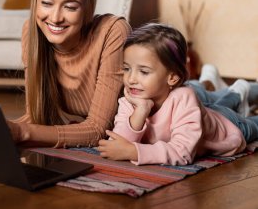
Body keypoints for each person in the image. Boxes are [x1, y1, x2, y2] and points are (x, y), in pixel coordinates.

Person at [7, 0, 132, 148]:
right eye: (47, 3)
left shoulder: (113, 31)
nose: (55, 18)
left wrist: (22, 132)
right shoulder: (32, 31)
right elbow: (35, 117)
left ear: (87, 8)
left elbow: (97, 129)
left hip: (172, 111)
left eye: (70, 7)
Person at [98, 23, 258, 166]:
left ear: (172, 77)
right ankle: (237, 91)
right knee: (217, 102)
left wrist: (133, 152)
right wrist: (140, 112)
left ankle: (238, 91)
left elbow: (182, 153)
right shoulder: (131, 99)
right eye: (126, 68)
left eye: (144, 71)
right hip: (204, 113)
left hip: (229, 126)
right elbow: (117, 144)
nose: (131, 79)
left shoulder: (183, 97)